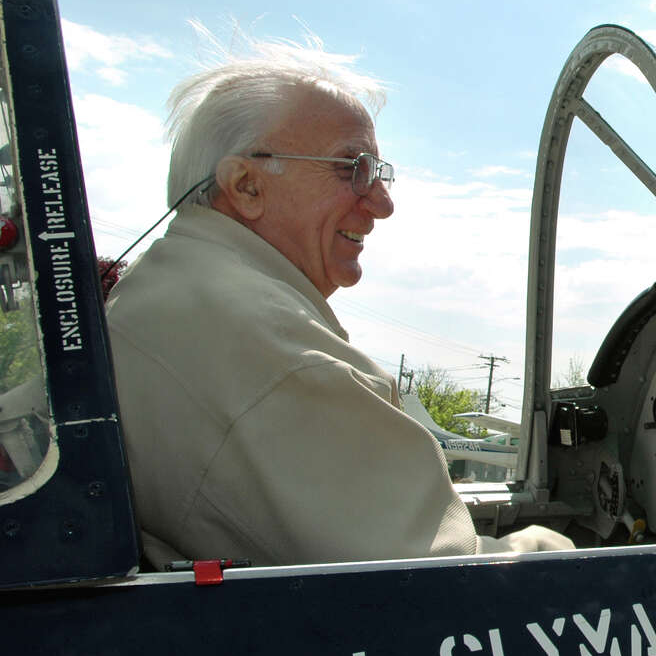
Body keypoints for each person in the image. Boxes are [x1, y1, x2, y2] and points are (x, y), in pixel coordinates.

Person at [107, 33, 571, 569]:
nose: (383, 203)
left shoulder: (166, 290)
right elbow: (442, 581)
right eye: (351, 168)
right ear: (246, 185)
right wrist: (568, 548)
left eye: (378, 172)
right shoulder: (280, 356)